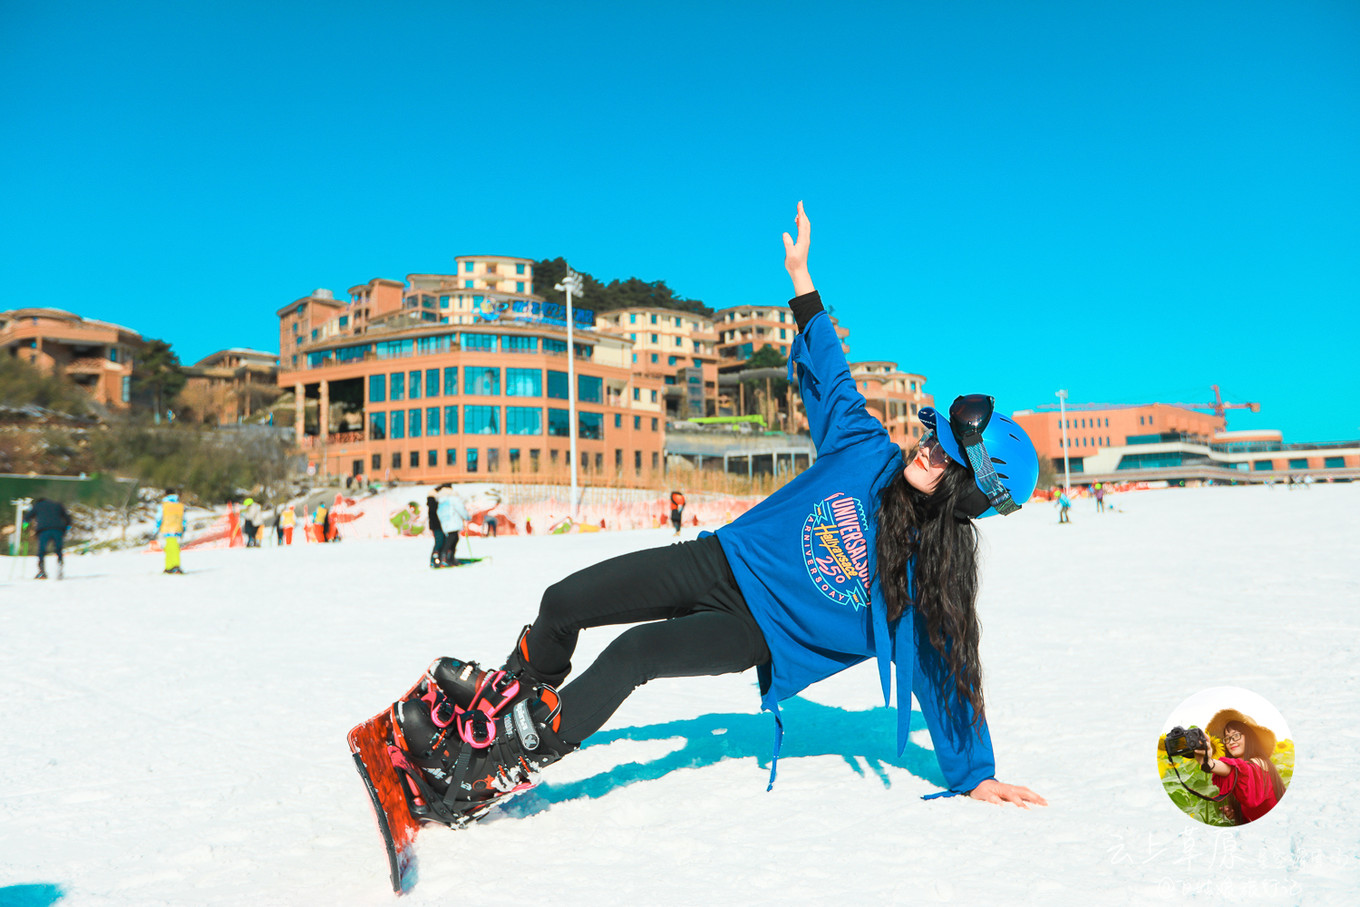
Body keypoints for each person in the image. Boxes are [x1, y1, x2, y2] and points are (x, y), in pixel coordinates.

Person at [377, 202, 1046, 829]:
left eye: (945, 454)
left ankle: (494, 770)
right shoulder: (864, 450)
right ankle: (502, 709)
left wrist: (976, 774)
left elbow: (947, 671)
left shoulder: (924, 582)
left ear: (967, 492)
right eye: (933, 436)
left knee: (634, 651)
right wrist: (802, 279)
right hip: (716, 557)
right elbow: (833, 373)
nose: (927, 447)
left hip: (757, 628)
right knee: (562, 599)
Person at [1193, 709, 1286, 824]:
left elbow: (1236, 770)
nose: (1231, 742)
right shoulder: (1244, 776)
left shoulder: (1260, 762)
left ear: (1250, 737)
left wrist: (1209, 763)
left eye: (1236, 735)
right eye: (1227, 738)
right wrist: (1237, 810)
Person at [24, 497, 71, 580]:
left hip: (44, 530)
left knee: (42, 550)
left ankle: (42, 571)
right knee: (58, 549)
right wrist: (67, 526)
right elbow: (67, 518)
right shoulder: (58, 505)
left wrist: (25, 523)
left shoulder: (37, 505)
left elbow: (28, 517)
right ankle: (60, 566)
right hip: (58, 529)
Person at [156, 491, 186, 574]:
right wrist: (183, 529)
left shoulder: (163, 505)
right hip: (177, 530)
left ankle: (171, 566)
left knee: (169, 548)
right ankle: (173, 566)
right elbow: (184, 519)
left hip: (167, 529)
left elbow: (159, 518)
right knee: (175, 547)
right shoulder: (180, 506)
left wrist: (156, 529)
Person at [427, 495, 446, 567]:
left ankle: (436, 559)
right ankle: (435, 560)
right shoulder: (434, 505)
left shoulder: (432, 505)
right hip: (438, 526)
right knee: (439, 543)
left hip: (436, 526)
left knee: (439, 543)